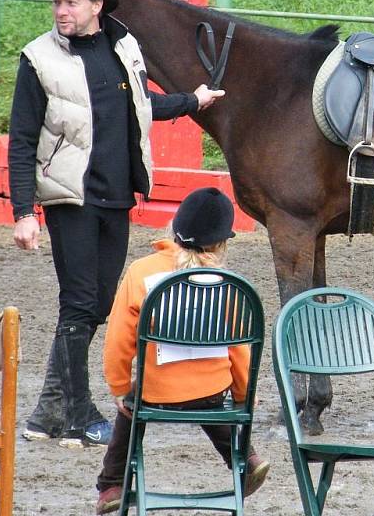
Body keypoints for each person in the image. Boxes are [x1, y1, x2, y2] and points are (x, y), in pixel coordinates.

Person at [9, 0, 226, 448]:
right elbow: (22, 139)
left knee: (96, 306)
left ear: (96, 6)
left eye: (71, 3)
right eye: (57, 3)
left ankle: (47, 413)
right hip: (71, 197)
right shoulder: (39, 59)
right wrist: (23, 212)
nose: (62, 11)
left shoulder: (122, 46)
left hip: (117, 196)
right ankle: (79, 414)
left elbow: (139, 106)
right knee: (80, 303)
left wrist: (192, 100)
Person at [95, 187, 269, 514]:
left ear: (174, 227)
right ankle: (245, 458)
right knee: (210, 397)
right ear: (220, 243)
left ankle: (112, 484)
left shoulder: (141, 272)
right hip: (211, 392)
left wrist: (119, 387)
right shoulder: (228, 282)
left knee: (131, 404)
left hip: (155, 393)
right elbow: (238, 349)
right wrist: (245, 393)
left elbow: (119, 338)